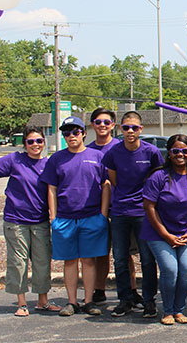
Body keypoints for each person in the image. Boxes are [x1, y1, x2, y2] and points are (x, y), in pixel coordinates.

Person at [41, 116, 110, 317]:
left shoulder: (97, 156)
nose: (71, 136)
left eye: (75, 132)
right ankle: (71, 302)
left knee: (89, 261)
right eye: (66, 133)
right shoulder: (56, 159)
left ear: (83, 133)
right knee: (70, 261)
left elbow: (106, 185)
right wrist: (53, 217)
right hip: (65, 218)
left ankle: (88, 301)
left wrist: (103, 214)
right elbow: (51, 188)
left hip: (92, 217)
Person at [0, 127, 60, 316]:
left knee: (42, 261)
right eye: (30, 141)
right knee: (18, 262)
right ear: (25, 144)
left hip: (40, 220)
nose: (35, 145)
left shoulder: (49, 164)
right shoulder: (15, 159)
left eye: (39, 141)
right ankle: (21, 303)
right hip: (16, 221)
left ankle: (42, 301)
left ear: (44, 142)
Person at [140, 134, 187, 326]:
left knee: (186, 270)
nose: (180, 154)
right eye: (176, 151)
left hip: (185, 232)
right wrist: (165, 235)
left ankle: (179, 310)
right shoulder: (158, 176)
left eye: (185, 151)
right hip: (158, 233)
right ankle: (167, 310)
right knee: (170, 269)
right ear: (169, 153)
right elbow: (149, 207)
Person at [103, 111, 162, 319]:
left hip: (144, 212)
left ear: (141, 129)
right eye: (126, 127)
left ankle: (149, 301)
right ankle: (125, 300)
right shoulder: (113, 153)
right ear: (120, 128)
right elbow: (114, 180)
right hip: (119, 211)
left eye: (134, 128)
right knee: (120, 258)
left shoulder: (152, 152)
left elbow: (158, 178)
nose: (130, 131)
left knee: (147, 259)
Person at [86, 107, 120, 305]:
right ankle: (99, 289)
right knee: (100, 252)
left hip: (120, 208)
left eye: (106, 122)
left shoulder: (120, 147)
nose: (102, 126)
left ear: (113, 125)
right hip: (94, 210)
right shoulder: (88, 150)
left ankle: (131, 291)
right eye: (98, 122)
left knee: (124, 254)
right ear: (92, 125)